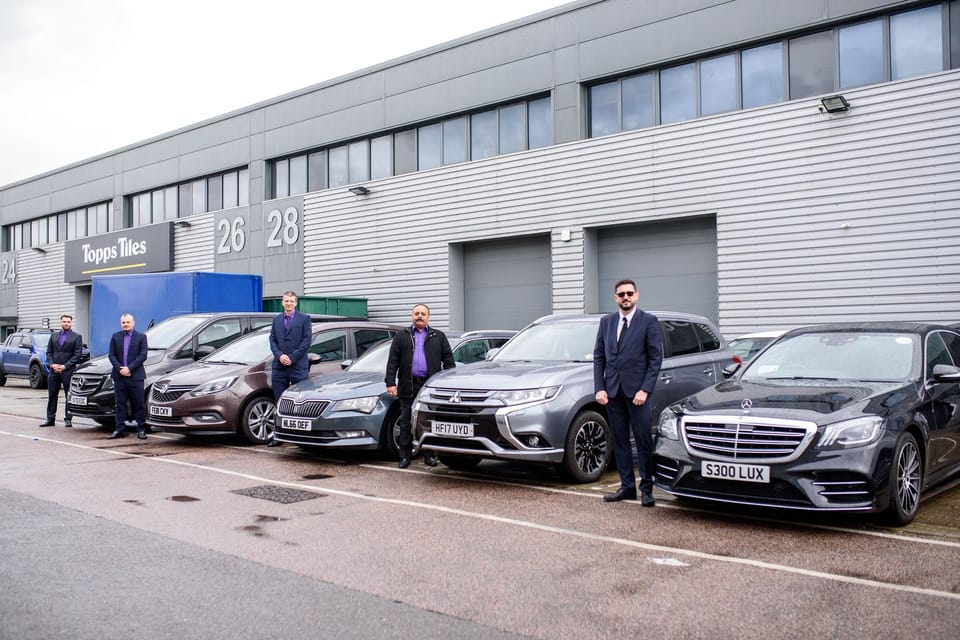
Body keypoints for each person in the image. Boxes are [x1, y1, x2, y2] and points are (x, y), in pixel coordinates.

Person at [593, 279, 663, 507]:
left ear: (637, 295)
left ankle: (647, 489)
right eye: (621, 294)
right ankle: (627, 487)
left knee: (643, 441)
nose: (626, 297)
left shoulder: (648, 321)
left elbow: (655, 359)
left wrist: (645, 389)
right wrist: (599, 388)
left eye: (629, 293)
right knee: (620, 441)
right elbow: (599, 357)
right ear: (615, 297)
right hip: (613, 392)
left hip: (638, 393)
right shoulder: (606, 322)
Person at [385, 303, 455, 468]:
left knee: (429, 422)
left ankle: (430, 456)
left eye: (423, 314)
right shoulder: (402, 336)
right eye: (416, 313)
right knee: (406, 422)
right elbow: (392, 361)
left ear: (428, 317)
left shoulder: (438, 336)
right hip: (408, 386)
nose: (419, 316)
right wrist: (390, 383)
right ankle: (404, 456)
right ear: (412, 316)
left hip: (429, 388)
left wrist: (446, 384)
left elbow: (449, 362)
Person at [266, 291, 312, 447]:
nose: (289, 304)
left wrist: (292, 357)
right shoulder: (276, 319)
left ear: (296, 303)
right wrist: (279, 356)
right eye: (286, 301)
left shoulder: (304, 319)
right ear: (282, 302)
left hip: (297, 366)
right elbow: (272, 339)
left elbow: (306, 341)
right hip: (279, 367)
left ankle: (302, 437)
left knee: (301, 402)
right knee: (279, 402)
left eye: (292, 301)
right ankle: (278, 436)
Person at [106, 313, 149, 440]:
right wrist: (120, 368)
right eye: (123, 322)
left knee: (139, 404)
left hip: (135, 376)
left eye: (128, 322)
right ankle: (119, 429)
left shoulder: (141, 337)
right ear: (121, 323)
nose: (125, 324)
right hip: (119, 376)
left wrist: (129, 368)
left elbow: (143, 355)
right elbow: (111, 355)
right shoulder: (115, 336)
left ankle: (141, 429)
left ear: (133, 323)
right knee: (120, 404)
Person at [40, 314, 84, 428]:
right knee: (52, 395)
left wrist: (65, 366)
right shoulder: (54, 336)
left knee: (68, 395)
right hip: (54, 371)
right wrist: (51, 364)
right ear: (61, 322)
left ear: (71, 323)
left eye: (68, 322)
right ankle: (50, 418)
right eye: (64, 321)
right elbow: (49, 352)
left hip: (67, 371)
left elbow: (77, 355)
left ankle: (68, 418)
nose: (66, 323)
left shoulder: (77, 337)